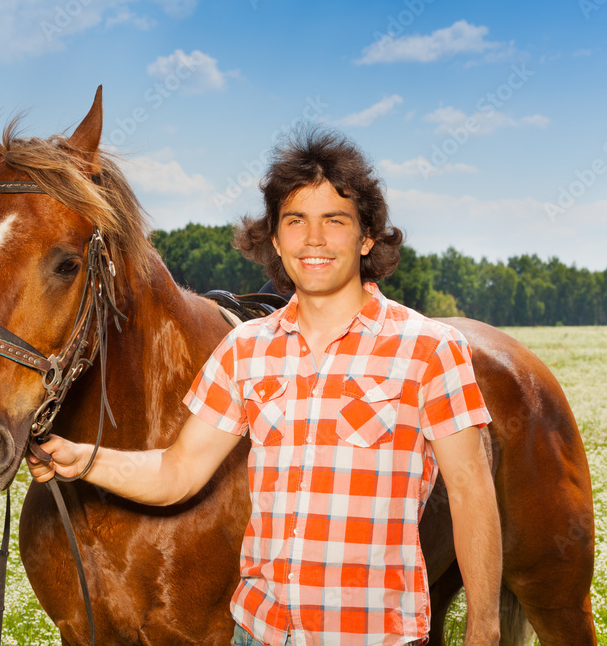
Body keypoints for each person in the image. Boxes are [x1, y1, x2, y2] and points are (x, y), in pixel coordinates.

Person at [28, 127, 502, 646]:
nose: (314, 239)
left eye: (335, 221)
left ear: (367, 237)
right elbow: (177, 470)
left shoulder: (431, 349)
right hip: (259, 634)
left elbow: (470, 492)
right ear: (275, 239)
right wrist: (85, 459)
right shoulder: (244, 350)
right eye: (295, 221)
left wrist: (483, 627)